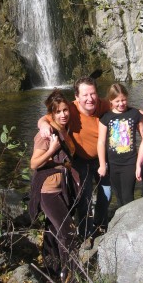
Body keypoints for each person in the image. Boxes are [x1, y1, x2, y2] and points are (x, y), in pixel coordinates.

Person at [38, 76, 111, 249]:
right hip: (80, 160)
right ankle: (85, 233)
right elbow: (46, 118)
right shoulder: (69, 109)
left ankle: (101, 225)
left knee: (106, 194)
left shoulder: (103, 104)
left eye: (92, 94)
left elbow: (126, 107)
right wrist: (42, 125)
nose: (90, 98)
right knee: (83, 197)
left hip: (102, 158)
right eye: (85, 95)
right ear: (77, 97)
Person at [29, 89, 80, 281]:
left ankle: (51, 270)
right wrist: (52, 149)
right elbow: (34, 164)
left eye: (65, 110)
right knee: (68, 232)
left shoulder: (63, 128)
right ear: (52, 114)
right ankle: (71, 274)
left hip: (62, 187)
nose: (63, 114)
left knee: (52, 230)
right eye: (58, 112)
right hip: (48, 191)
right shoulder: (46, 134)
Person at [97, 83, 143, 207]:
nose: (121, 103)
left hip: (130, 162)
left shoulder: (134, 114)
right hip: (112, 163)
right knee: (118, 196)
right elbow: (101, 142)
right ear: (110, 101)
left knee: (128, 195)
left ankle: (131, 222)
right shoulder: (105, 117)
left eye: (123, 100)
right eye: (117, 101)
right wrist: (102, 165)